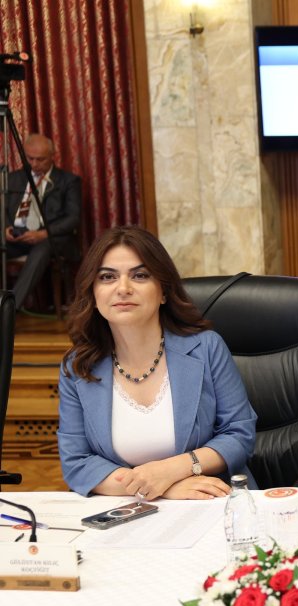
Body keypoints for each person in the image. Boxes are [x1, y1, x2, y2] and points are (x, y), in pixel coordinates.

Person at [57, 227, 256, 499]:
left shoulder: (206, 347)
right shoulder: (77, 367)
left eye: (140, 275)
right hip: (125, 513)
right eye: (107, 277)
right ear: (92, 294)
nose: (123, 288)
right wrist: (163, 488)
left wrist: (171, 471)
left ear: (163, 291)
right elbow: (77, 462)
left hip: (212, 505)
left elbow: (239, 435)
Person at [3, 133, 82, 310]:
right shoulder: (13, 179)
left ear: (52, 156)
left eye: (40, 160)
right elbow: (2, 211)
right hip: (17, 237)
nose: (34, 164)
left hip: (51, 239)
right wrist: (5, 229)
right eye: (30, 158)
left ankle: (9, 311)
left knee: (42, 249)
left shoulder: (68, 181)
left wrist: (43, 234)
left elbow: (73, 218)